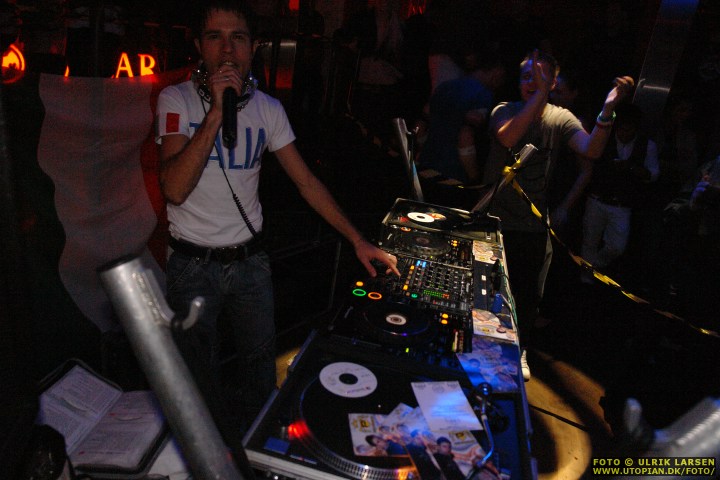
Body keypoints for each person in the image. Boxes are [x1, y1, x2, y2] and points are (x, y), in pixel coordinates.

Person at [155, 0, 398, 439]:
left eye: (238, 38)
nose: (227, 50)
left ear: (254, 48)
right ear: (199, 46)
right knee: (195, 379)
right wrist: (216, 113)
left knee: (259, 372)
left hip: (250, 264)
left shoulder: (268, 109)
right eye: (215, 37)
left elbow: (307, 183)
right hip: (192, 266)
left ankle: (256, 450)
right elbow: (173, 188)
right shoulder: (175, 100)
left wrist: (358, 240)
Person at [482, 50, 634, 380]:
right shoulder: (504, 110)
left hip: (533, 225)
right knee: (486, 290)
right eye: (527, 76)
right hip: (493, 221)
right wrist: (539, 94)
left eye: (540, 77)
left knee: (527, 296)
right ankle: (482, 346)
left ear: (553, 83)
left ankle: (518, 349)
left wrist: (608, 109)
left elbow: (592, 150)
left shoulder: (560, 117)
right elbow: (508, 136)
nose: (531, 82)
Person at [580, 103, 660, 286]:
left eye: (628, 129)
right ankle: (585, 280)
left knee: (616, 246)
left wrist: (631, 168)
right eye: (621, 128)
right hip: (597, 198)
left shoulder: (647, 145)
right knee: (589, 240)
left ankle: (593, 267)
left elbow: (654, 175)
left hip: (621, 204)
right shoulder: (605, 139)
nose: (624, 133)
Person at [417, 49, 506, 210]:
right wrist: (474, 179)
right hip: (454, 177)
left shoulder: (444, 87)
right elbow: (465, 136)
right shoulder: (483, 95)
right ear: (496, 71)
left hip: (425, 171)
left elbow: (421, 127)